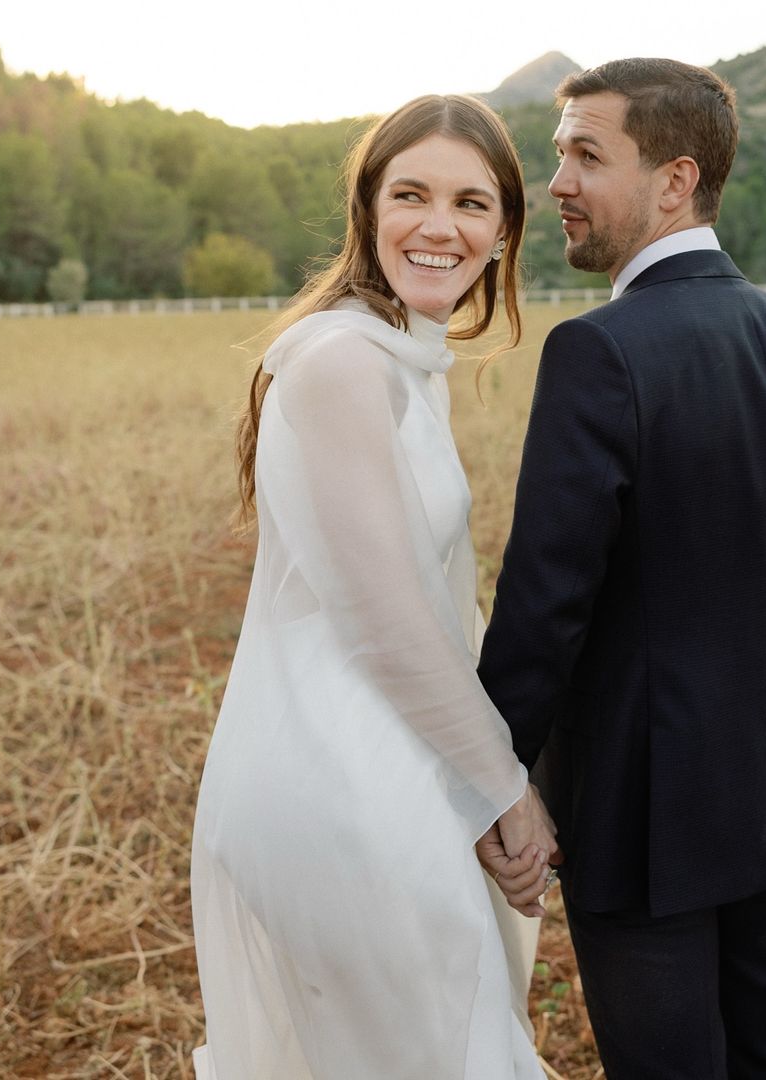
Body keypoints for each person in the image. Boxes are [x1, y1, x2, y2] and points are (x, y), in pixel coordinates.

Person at [475, 58, 766, 1079]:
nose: (556, 181)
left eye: (585, 156)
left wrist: (485, 779)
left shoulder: (599, 351)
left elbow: (546, 604)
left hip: (639, 816)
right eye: (560, 155)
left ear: (675, 179)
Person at [190, 94, 558, 1080]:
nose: (442, 227)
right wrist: (504, 791)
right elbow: (388, 623)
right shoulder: (345, 362)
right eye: (412, 194)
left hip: (388, 762)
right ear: (366, 208)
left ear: (503, 230)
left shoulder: (399, 358)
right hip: (345, 785)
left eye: (472, 203)